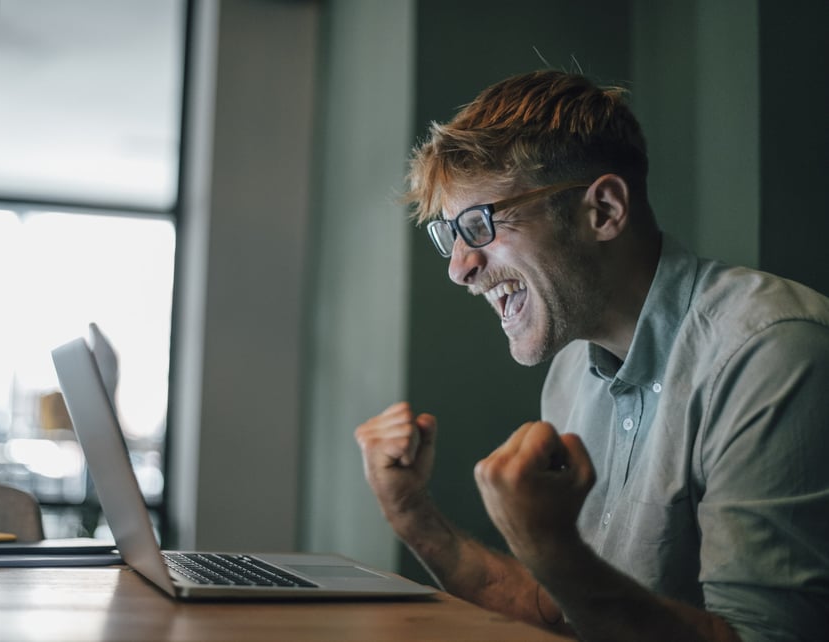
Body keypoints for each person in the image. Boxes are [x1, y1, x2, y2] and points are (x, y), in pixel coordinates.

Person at [354, 69, 829, 641]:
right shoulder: (571, 371)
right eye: (450, 233)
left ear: (602, 210)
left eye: (479, 224)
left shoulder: (772, 352)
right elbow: (562, 611)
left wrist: (550, 546)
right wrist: (413, 515)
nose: (458, 268)